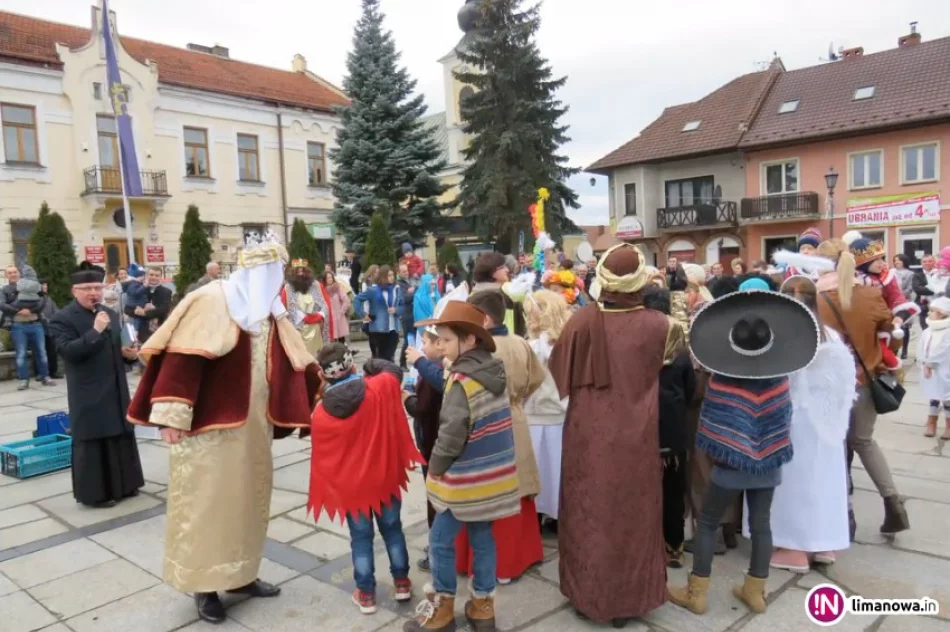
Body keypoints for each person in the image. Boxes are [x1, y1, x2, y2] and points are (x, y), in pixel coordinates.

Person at [127, 237, 319, 624]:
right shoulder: (212, 300)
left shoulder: (270, 310)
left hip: (253, 428)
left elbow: (295, 358)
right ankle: (205, 586)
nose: (276, 281)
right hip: (208, 430)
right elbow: (181, 360)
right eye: (271, 273)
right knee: (208, 508)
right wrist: (171, 417)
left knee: (248, 503)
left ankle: (241, 574)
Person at [669, 288, 815, 616]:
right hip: (769, 465)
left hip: (728, 466)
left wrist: (729, 449)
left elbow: (712, 424)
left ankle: (698, 593)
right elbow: (783, 422)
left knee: (707, 522)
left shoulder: (723, 379)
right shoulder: (780, 380)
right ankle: (755, 591)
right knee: (762, 524)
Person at [548, 243, 673, 626]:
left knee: (589, 509)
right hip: (637, 432)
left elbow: (557, 376)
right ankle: (629, 599)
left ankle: (589, 595)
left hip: (589, 431)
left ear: (602, 277)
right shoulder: (661, 324)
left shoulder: (582, 320)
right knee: (633, 513)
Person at [405, 302, 520, 632]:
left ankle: (442, 611)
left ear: (469, 340)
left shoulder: (461, 380)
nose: (438, 346)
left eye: (445, 340)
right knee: (482, 537)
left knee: (440, 541)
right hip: (489, 478)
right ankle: (483, 606)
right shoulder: (492, 369)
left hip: (464, 480)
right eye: (437, 340)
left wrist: (436, 469)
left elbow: (451, 434)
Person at [307, 344, 423, 614]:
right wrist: (371, 366)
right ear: (351, 365)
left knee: (360, 539)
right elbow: (394, 371)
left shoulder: (321, 415)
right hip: (383, 478)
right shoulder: (378, 387)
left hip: (353, 489)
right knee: (393, 530)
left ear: (324, 376)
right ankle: (402, 583)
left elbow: (327, 460)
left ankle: (367, 594)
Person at [815, 238, 910, 537]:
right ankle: (893, 502)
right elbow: (892, 335)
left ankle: (846, 514)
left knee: (833, 448)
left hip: (828, 384)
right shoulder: (870, 294)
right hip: (865, 379)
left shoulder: (813, 298)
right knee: (864, 442)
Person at [763, 275, 854, 572]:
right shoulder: (830, 334)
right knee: (822, 480)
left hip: (792, 420)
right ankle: (823, 542)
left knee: (793, 483)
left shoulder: (781, 335)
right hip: (825, 423)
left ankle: (793, 546)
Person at [455, 290, 545, 585]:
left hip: (483, 424)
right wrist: (517, 401)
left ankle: (493, 565)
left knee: (487, 492)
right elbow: (536, 379)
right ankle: (517, 558)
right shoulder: (520, 342)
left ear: (486, 318)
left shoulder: (476, 351)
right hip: (516, 420)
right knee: (516, 491)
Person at [49, 261, 144, 507]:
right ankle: (95, 495)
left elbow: (115, 348)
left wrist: (128, 354)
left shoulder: (109, 313)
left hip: (115, 386)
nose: (94, 293)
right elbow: (69, 352)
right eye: (87, 288)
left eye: (97, 288)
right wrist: (95, 331)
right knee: (94, 438)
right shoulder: (61, 318)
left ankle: (126, 485)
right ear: (75, 291)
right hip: (88, 390)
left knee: (121, 432)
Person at [642, 286, 694, 569]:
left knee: (642, 488)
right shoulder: (681, 352)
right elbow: (690, 391)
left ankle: (647, 545)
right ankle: (674, 547)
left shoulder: (634, 348)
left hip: (641, 426)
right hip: (672, 429)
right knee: (673, 489)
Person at [523, 289, 571, 528]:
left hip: (539, 415)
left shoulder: (534, 347)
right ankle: (556, 515)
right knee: (556, 469)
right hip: (560, 414)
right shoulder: (568, 344)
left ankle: (540, 514)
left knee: (541, 471)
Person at [405, 328, 447, 572]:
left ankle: (437, 549)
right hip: (432, 440)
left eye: (425, 342)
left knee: (436, 498)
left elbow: (422, 409)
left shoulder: (434, 373)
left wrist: (405, 399)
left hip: (432, 442)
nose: (421, 347)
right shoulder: (434, 370)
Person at [281, 259, 331, 357]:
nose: (301, 273)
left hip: (316, 328)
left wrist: (319, 315)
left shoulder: (316, 285)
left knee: (317, 356)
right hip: (298, 329)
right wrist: (303, 317)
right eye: (298, 271)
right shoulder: (288, 288)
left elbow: (325, 303)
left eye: (302, 270)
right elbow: (286, 307)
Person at [471, 252, 527, 337]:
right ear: (492, 272)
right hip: (505, 341)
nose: (507, 270)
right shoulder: (506, 290)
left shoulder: (472, 294)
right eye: (502, 267)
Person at [354, 265, 403, 362]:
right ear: (382, 276)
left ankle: (389, 374)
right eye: (389, 275)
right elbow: (357, 299)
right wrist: (363, 314)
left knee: (390, 356)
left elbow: (402, 305)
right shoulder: (373, 290)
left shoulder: (396, 289)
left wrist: (396, 310)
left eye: (393, 275)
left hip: (394, 328)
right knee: (382, 357)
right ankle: (383, 374)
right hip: (379, 329)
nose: (392, 277)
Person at [918, 297, 950, 440]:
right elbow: (922, 348)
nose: (928, 313)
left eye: (932, 311)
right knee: (933, 395)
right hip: (929, 369)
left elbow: (945, 349)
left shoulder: (947, 331)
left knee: (947, 396)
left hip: (945, 368)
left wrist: (932, 363)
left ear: (942, 313)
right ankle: (932, 421)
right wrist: (924, 363)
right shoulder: (928, 331)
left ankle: (949, 425)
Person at [126, 267, 172, 344]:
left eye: (157, 275)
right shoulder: (139, 289)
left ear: (161, 277)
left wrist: (145, 313)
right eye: (151, 275)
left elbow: (165, 309)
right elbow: (127, 308)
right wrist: (137, 311)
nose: (153, 277)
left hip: (158, 329)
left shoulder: (166, 291)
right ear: (147, 276)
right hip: (140, 329)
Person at [892, 254, 915, 359]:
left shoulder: (910, 274)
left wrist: (900, 295)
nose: (897, 262)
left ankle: (905, 350)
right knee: (895, 326)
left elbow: (910, 288)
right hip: (892, 302)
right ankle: (895, 349)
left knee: (905, 326)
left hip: (905, 302)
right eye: (895, 261)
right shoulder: (890, 272)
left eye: (899, 261)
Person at [36, 278, 59, 379]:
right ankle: (40, 373)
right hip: (40, 328)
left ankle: (53, 372)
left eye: (46, 285)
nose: (45, 287)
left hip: (50, 329)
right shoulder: (35, 299)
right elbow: (39, 313)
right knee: (40, 351)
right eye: (43, 285)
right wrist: (48, 321)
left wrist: (58, 320)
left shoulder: (49, 299)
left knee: (52, 351)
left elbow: (56, 311)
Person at [323, 271, 352, 344]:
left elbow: (346, 301)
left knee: (341, 339)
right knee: (331, 341)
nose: (330, 279)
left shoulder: (337, 288)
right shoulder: (323, 290)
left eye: (331, 277)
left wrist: (341, 312)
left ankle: (343, 353)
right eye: (327, 278)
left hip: (338, 318)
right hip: (329, 318)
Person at [397, 263, 416, 369]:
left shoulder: (407, 282)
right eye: (404, 271)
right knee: (408, 339)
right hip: (406, 315)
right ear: (398, 273)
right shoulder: (399, 284)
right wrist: (412, 292)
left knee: (412, 338)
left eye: (407, 271)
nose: (406, 273)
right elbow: (405, 298)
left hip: (411, 314)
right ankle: (402, 363)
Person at [913, 254, 937, 331]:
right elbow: (917, 289)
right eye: (924, 261)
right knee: (925, 329)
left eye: (930, 261)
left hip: (938, 306)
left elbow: (942, 287)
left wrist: (925, 289)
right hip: (924, 306)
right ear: (921, 263)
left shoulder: (939, 274)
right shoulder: (917, 275)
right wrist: (935, 290)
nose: (927, 263)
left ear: (934, 262)